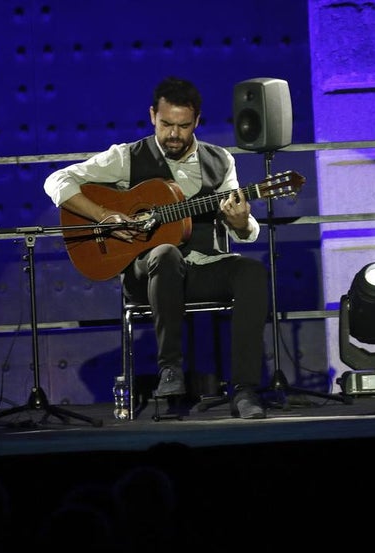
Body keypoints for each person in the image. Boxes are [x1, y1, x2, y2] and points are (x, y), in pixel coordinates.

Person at [43, 76, 269, 419]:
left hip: (201, 268)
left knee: (251, 271)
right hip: (145, 274)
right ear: (152, 116)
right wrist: (104, 216)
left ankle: (245, 390)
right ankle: (170, 370)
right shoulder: (126, 157)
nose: (173, 134)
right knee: (165, 253)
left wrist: (241, 223)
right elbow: (57, 181)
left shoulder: (220, 160)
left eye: (182, 126)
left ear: (197, 121)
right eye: (166, 124)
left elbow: (242, 226)